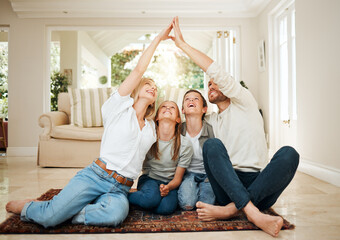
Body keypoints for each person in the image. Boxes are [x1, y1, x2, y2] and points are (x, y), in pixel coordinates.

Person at [5, 22, 173, 228]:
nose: (153, 88)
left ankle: (61, 210)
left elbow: (172, 135)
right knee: (49, 219)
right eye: (148, 85)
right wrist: (158, 39)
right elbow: (139, 70)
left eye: (155, 88)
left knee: (114, 216)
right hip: (96, 177)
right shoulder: (117, 107)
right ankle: (32, 208)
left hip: (121, 189)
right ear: (136, 89)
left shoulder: (150, 128)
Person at [170, 16, 299, 237]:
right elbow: (188, 120)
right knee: (212, 145)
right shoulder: (211, 120)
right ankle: (253, 212)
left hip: (260, 183)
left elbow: (215, 70)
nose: (211, 85)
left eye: (214, 82)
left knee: (289, 153)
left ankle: (231, 210)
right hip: (227, 184)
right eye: (208, 85)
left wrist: (182, 45)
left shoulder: (244, 101)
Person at [128, 100, 193, 215]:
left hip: (170, 182)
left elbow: (177, 179)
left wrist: (168, 187)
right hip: (149, 178)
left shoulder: (185, 144)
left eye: (172, 107)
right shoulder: (149, 136)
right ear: (157, 117)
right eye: (163, 106)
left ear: (178, 119)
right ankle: (125, 196)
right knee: (151, 199)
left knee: (166, 209)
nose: (167, 108)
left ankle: (148, 201)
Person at [177, 89, 215, 210]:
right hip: (187, 174)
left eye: (196, 99)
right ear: (183, 110)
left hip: (208, 174)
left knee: (205, 206)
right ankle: (191, 187)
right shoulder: (178, 131)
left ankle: (204, 188)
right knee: (187, 204)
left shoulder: (211, 129)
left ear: (204, 109)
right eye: (187, 99)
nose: (191, 100)